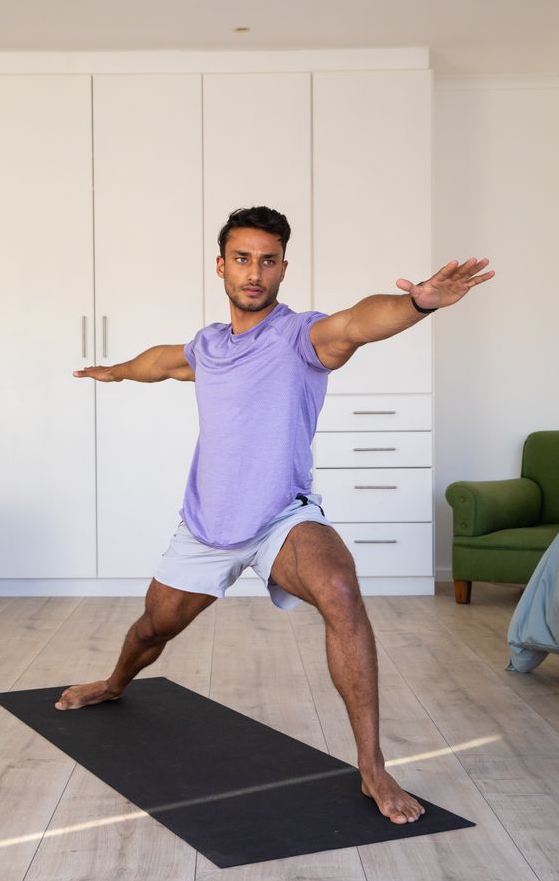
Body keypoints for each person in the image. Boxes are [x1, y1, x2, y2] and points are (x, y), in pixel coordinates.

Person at [56, 205, 494, 825]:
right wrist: (117, 372)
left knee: (340, 590)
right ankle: (115, 682)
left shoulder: (302, 337)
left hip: (280, 521)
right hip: (206, 528)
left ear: (284, 267)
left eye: (267, 260)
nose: (254, 272)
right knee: (154, 629)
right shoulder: (207, 347)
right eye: (242, 258)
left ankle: (372, 767)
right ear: (221, 266)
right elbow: (159, 362)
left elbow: (358, 323)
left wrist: (418, 304)